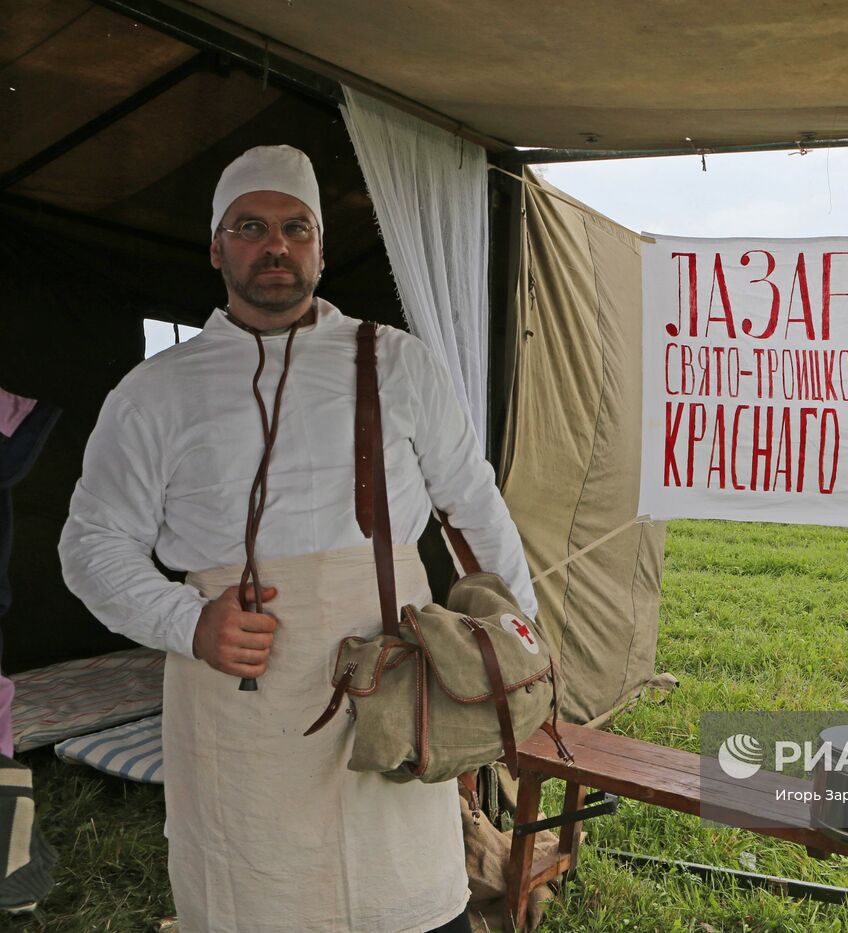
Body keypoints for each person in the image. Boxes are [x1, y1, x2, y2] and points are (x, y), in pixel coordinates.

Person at [58, 146, 530, 933]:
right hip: (239, 702)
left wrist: (522, 645)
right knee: (256, 900)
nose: (275, 245)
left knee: (406, 902)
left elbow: (474, 505)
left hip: (392, 680)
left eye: (295, 227)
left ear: (319, 246)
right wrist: (189, 622)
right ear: (217, 247)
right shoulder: (154, 393)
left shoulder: (399, 363)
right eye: (251, 226)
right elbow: (92, 542)